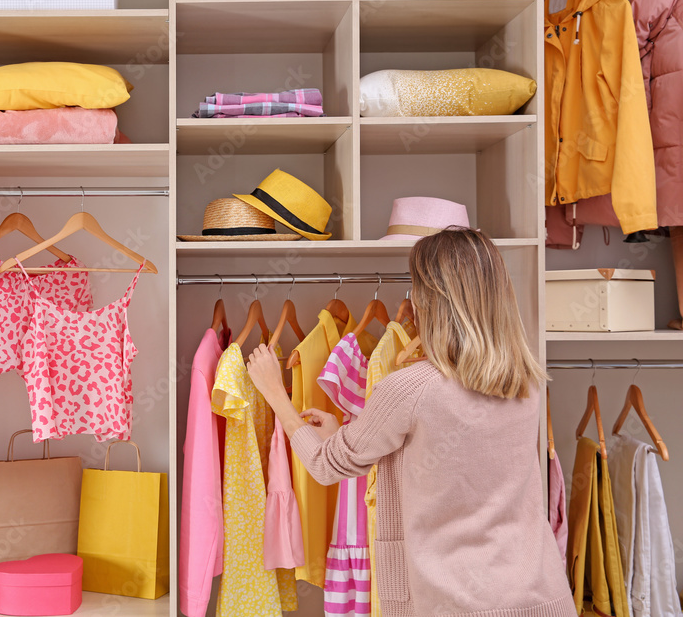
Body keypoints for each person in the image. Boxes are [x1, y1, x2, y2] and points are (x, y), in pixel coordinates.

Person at [246, 228, 575, 616]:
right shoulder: (524, 380)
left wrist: (275, 393)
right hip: (544, 597)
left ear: (430, 301)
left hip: (459, 605)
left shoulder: (409, 387)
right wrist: (343, 433)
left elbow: (325, 466)